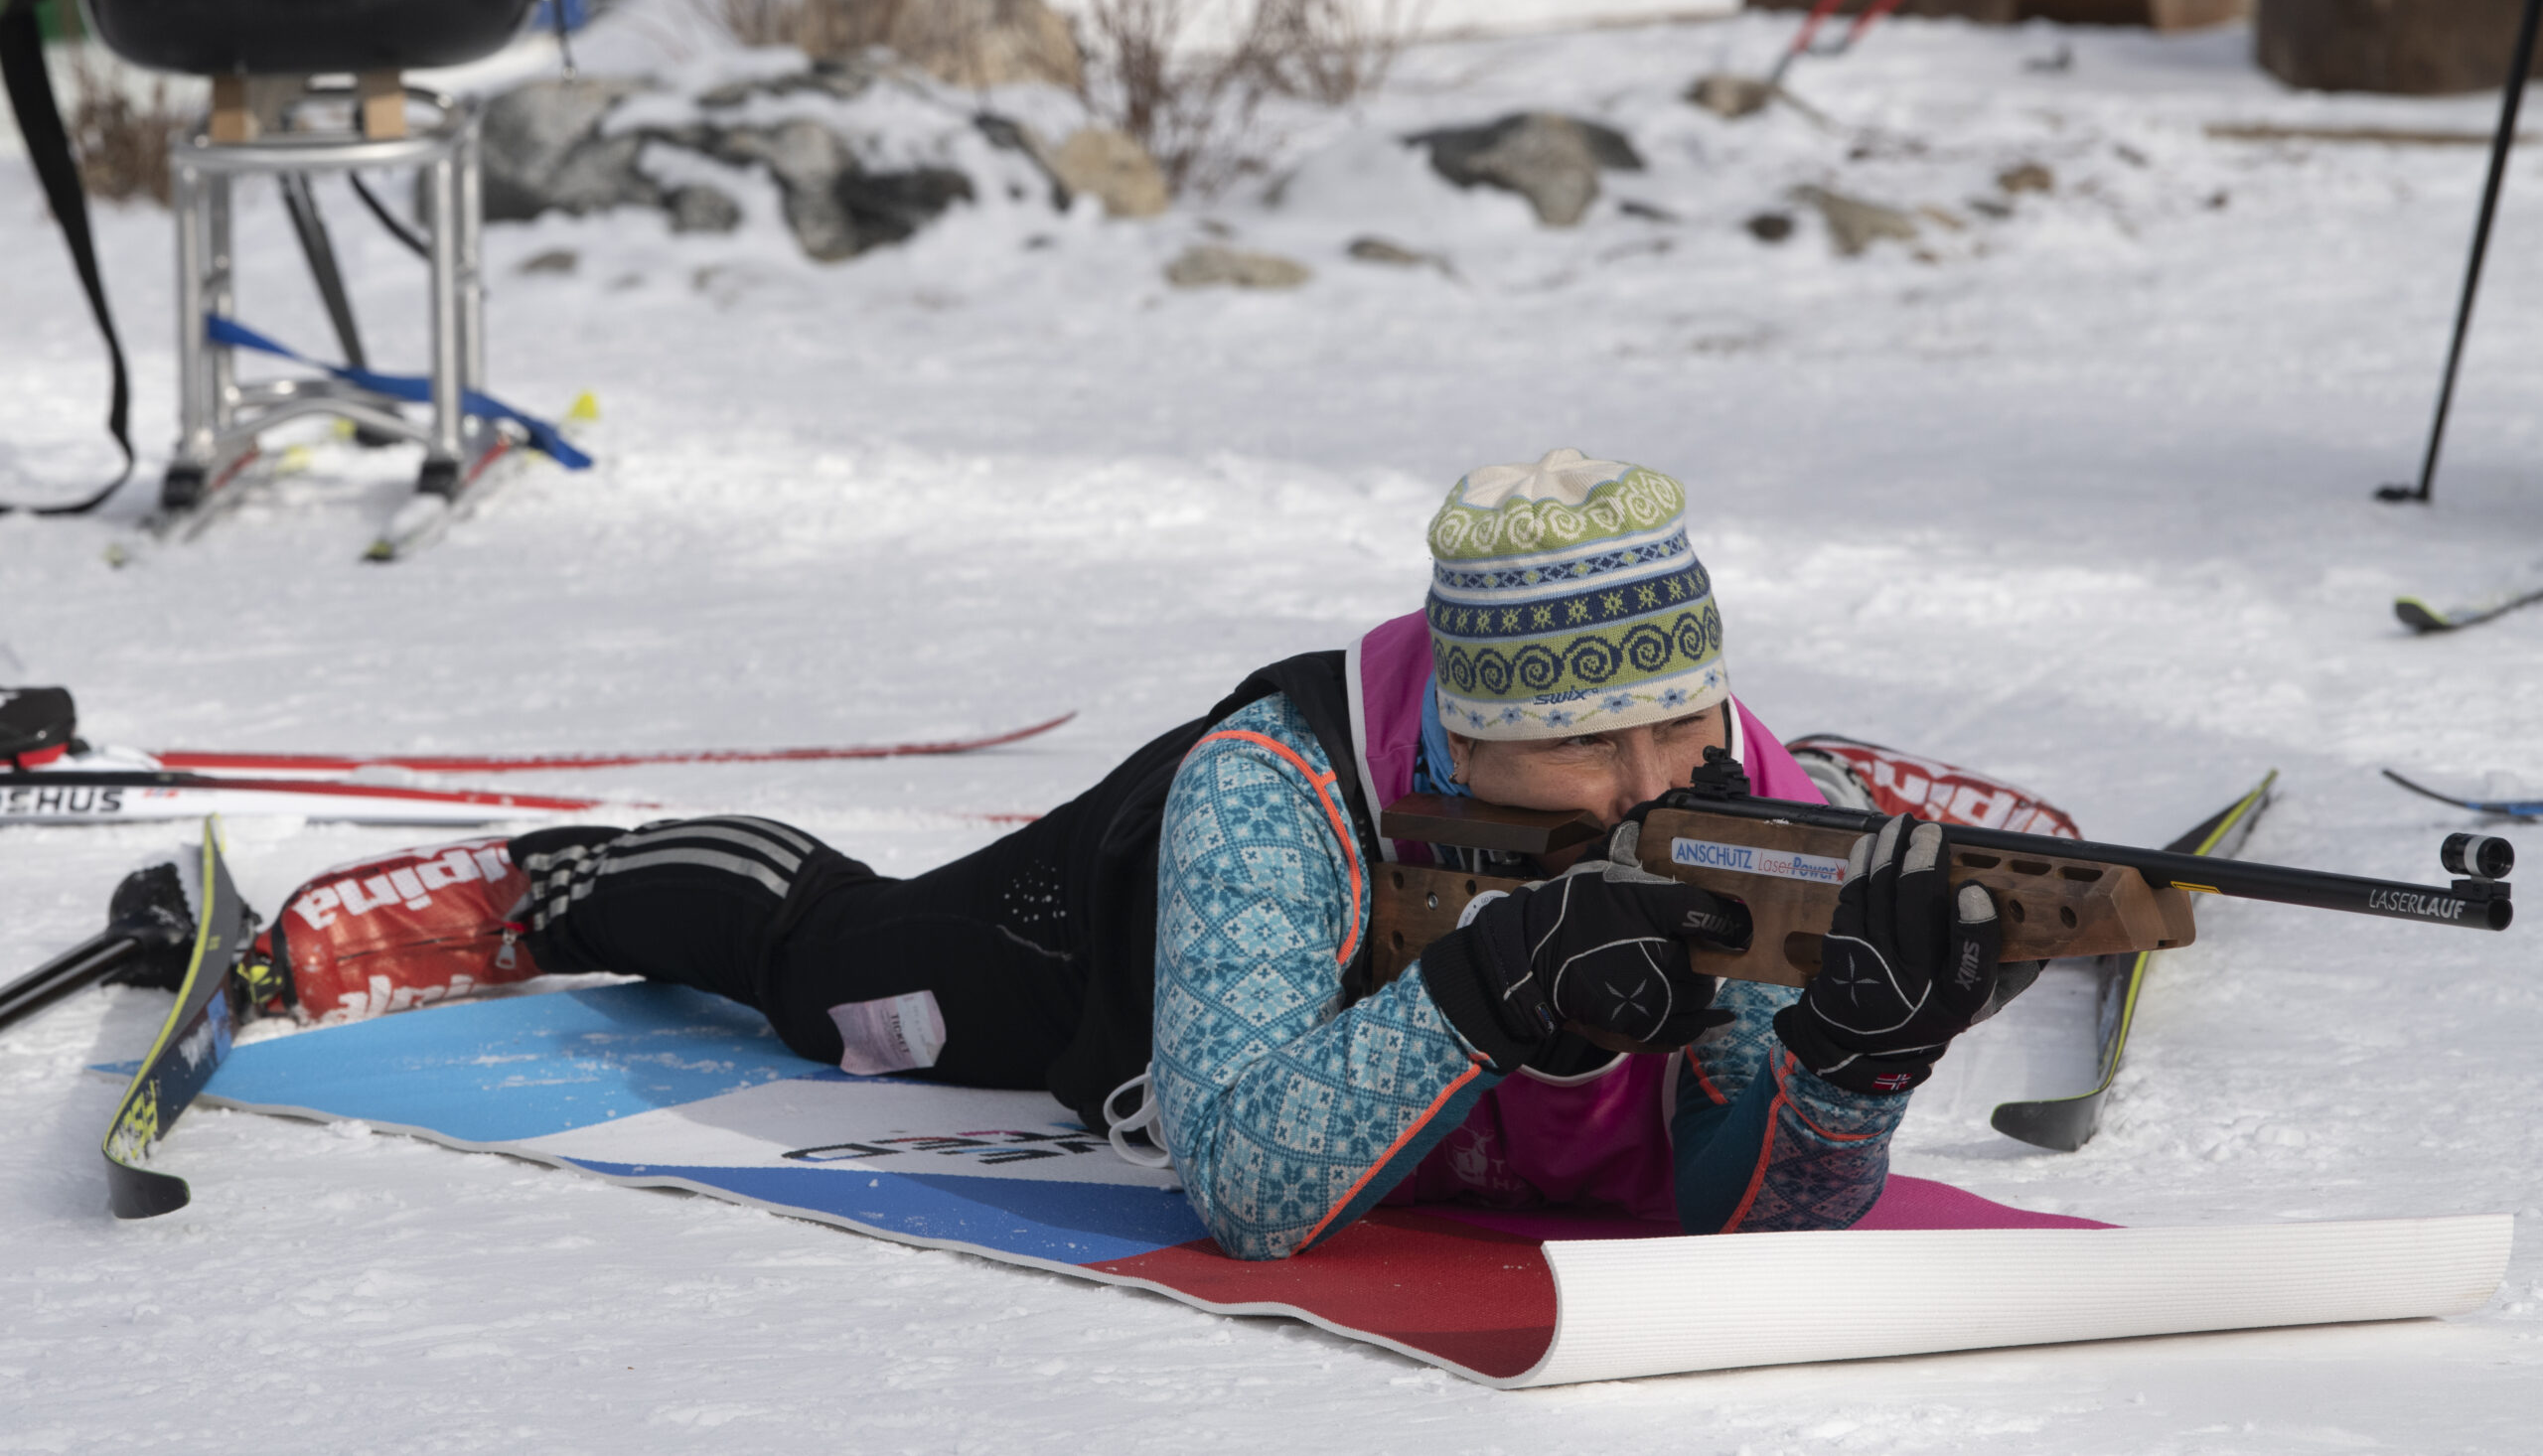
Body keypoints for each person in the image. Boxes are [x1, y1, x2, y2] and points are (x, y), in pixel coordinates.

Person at [260, 449, 2010, 1260]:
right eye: (1588, 736)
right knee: (855, 989)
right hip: (1109, 927)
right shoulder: (1277, 788)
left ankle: (1895, 797)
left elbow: (1766, 1220)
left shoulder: (1735, 794)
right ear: (1467, 731)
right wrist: (1487, 993)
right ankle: (548, 882)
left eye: (1680, 724)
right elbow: (1245, 1189)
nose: (1649, 784)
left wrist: (1862, 1068)